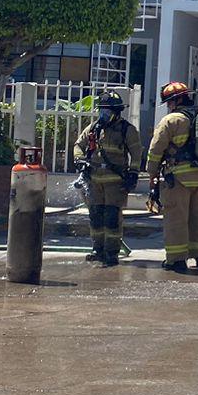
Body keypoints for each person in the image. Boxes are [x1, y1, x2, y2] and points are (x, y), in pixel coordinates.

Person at [146, 81, 198, 274]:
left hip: (178, 180)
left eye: (169, 103)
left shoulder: (171, 121)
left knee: (176, 219)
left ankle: (176, 260)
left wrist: (151, 173)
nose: (168, 106)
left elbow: (155, 150)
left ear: (176, 101)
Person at [74, 91, 141, 266]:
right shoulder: (93, 128)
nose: (103, 116)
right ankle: (98, 249)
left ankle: (111, 252)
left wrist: (133, 174)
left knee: (112, 217)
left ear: (116, 112)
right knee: (96, 216)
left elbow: (136, 153)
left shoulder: (127, 130)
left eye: (107, 112)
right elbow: (78, 145)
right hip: (94, 181)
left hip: (115, 183)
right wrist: (80, 160)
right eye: (101, 112)